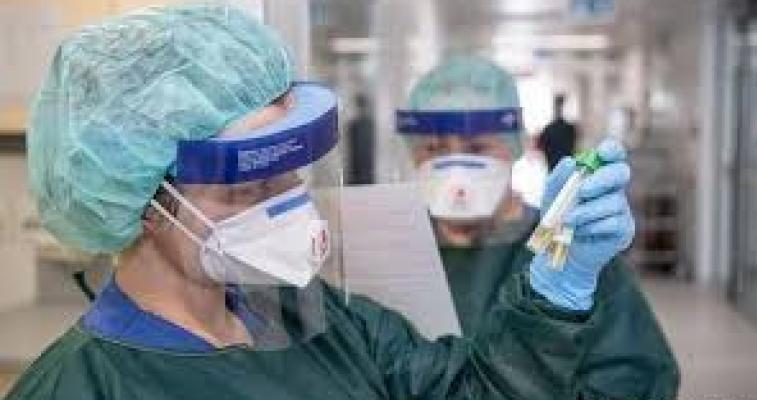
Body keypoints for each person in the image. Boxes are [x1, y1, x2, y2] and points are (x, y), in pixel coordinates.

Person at [6, 6, 677, 400]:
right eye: (249, 182)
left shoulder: (312, 315)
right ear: (147, 202)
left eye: (291, 172)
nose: (288, 205)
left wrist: (553, 288)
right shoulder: (83, 386)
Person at [397, 55, 680, 398]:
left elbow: (634, 380)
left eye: (477, 147)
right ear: (412, 153)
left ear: (515, 145)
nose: (455, 168)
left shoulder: (573, 256)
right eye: (433, 148)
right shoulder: (393, 251)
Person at [540, 93, 579, 171]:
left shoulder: (549, 128)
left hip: (557, 164)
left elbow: (543, 146)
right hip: (564, 164)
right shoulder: (569, 128)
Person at [346, 93, 376, 185]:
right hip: (357, 170)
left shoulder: (369, 124)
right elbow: (350, 149)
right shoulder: (354, 125)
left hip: (365, 170)